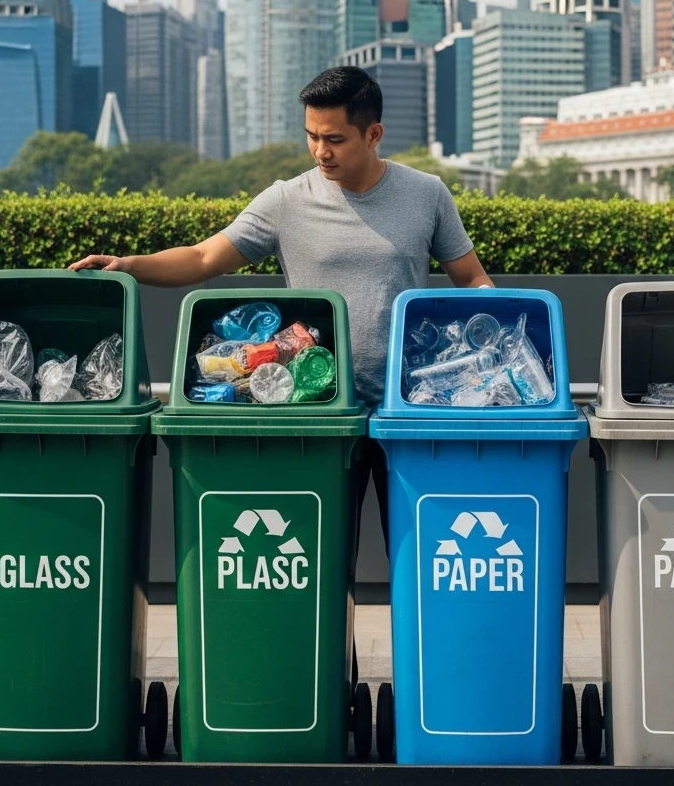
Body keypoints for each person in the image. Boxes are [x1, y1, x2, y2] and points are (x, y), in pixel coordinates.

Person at [70, 65, 494, 543]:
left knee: (422, 554)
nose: (319, 151)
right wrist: (129, 266)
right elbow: (204, 257)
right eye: (311, 136)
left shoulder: (427, 194)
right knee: (321, 557)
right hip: (318, 410)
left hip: (407, 407)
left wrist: (494, 336)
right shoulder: (286, 200)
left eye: (333, 138)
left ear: (373, 133)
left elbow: (471, 277)